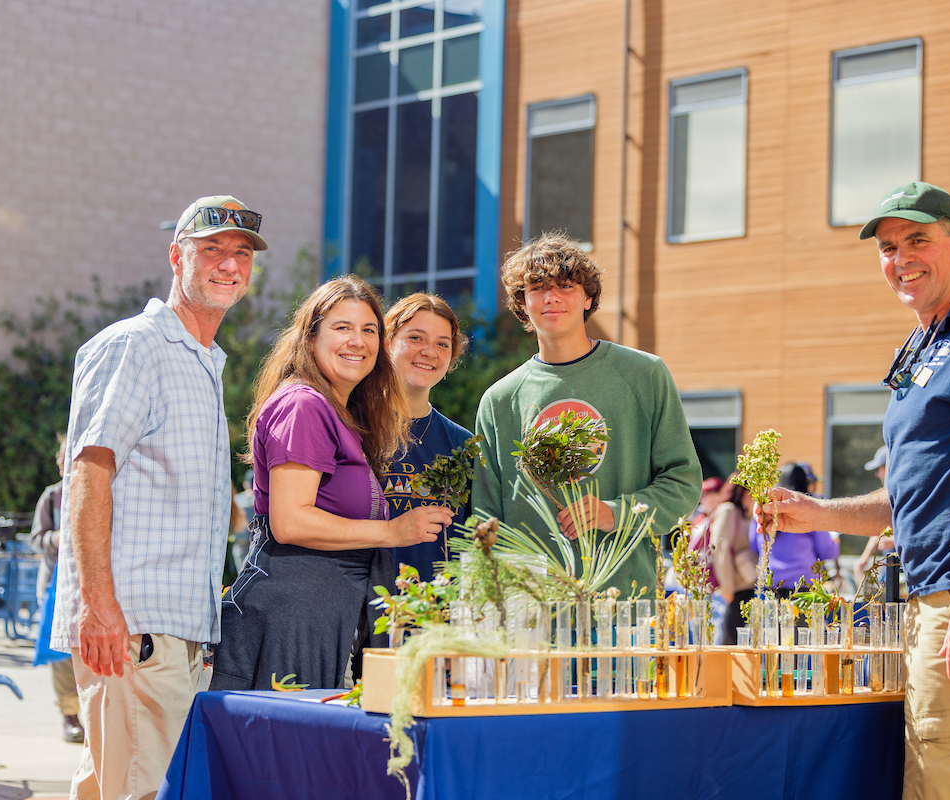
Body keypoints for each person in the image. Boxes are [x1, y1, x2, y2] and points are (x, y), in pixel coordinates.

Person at [764, 182, 950, 800]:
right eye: (888, 247)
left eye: (918, 240)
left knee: (944, 784)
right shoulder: (927, 344)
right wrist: (816, 513)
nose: (901, 258)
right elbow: (913, 503)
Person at [51, 195, 267, 800]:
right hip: (134, 627)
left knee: (114, 787)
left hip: (171, 627)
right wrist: (98, 606)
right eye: (212, 250)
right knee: (145, 791)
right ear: (177, 257)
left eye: (241, 253)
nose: (229, 264)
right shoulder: (137, 345)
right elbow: (89, 472)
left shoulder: (203, 359)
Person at [210, 277, 451, 692]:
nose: (357, 341)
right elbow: (290, 521)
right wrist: (392, 532)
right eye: (342, 328)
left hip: (319, 618)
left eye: (368, 330)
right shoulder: (303, 405)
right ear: (311, 336)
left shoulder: (343, 413)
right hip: (287, 618)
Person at [472, 233, 701, 595]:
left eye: (565, 285)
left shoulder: (644, 374)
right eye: (537, 287)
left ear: (588, 297)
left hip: (625, 601)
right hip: (530, 607)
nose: (552, 297)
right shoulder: (500, 400)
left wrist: (616, 512)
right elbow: (485, 516)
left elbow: (683, 485)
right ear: (522, 303)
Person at [383, 293, 473, 582]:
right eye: (416, 338)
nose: (429, 352)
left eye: (442, 344)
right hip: (363, 616)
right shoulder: (351, 430)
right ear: (387, 344)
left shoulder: (462, 446)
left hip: (439, 617)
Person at [28, 434, 82, 743]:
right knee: (61, 653)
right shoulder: (53, 496)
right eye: (66, 458)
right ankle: (69, 714)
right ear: (59, 461)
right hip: (54, 586)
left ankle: (90, 713)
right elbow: (36, 538)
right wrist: (56, 539)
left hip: (88, 587)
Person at [748, 464, 838, 596]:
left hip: (769, 583)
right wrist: (836, 543)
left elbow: (754, 546)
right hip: (803, 586)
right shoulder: (808, 509)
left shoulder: (765, 509)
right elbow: (827, 551)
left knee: (768, 617)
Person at [696, 481, 754, 645]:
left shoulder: (742, 513)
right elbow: (719, 548)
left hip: (743, 585)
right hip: (733, 588)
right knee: (729, 638)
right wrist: (727, 585)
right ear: (742, 492)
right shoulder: (728, 510)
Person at [853, 444, 894, 581]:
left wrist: (895, 541)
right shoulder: (887, 495)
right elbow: (879, 528)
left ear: (888, 467)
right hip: (888, 565)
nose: (877, 474)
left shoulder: (902, 495)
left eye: (879, 469)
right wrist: (864, 558)